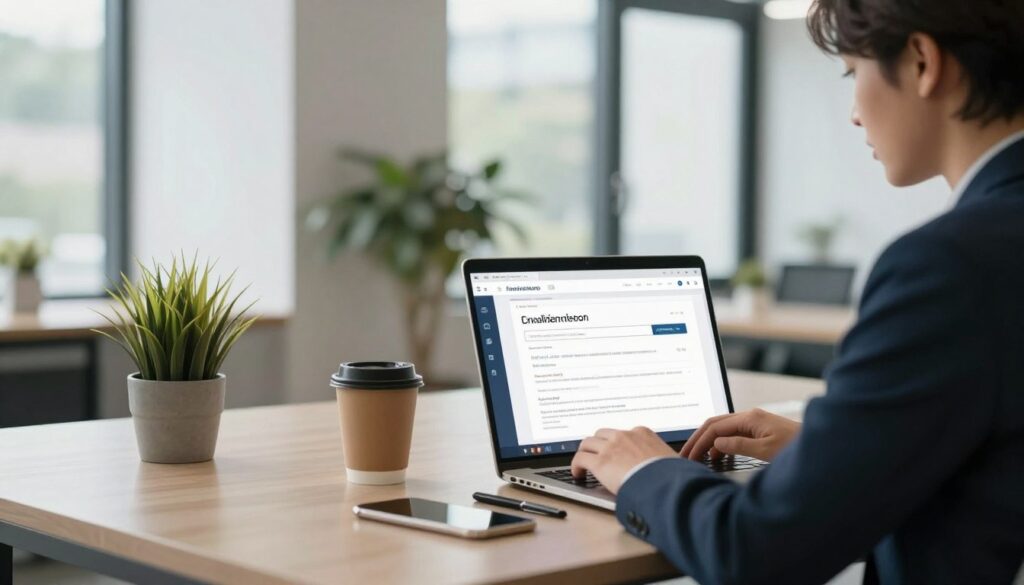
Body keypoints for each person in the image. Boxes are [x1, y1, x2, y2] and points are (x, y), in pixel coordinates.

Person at [569, 1, 1024, 583]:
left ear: (921, 62)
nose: (856, 114)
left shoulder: (948, 267)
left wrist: (643, 471)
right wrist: (837, 451)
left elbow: (756, 552)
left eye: (852, 72)